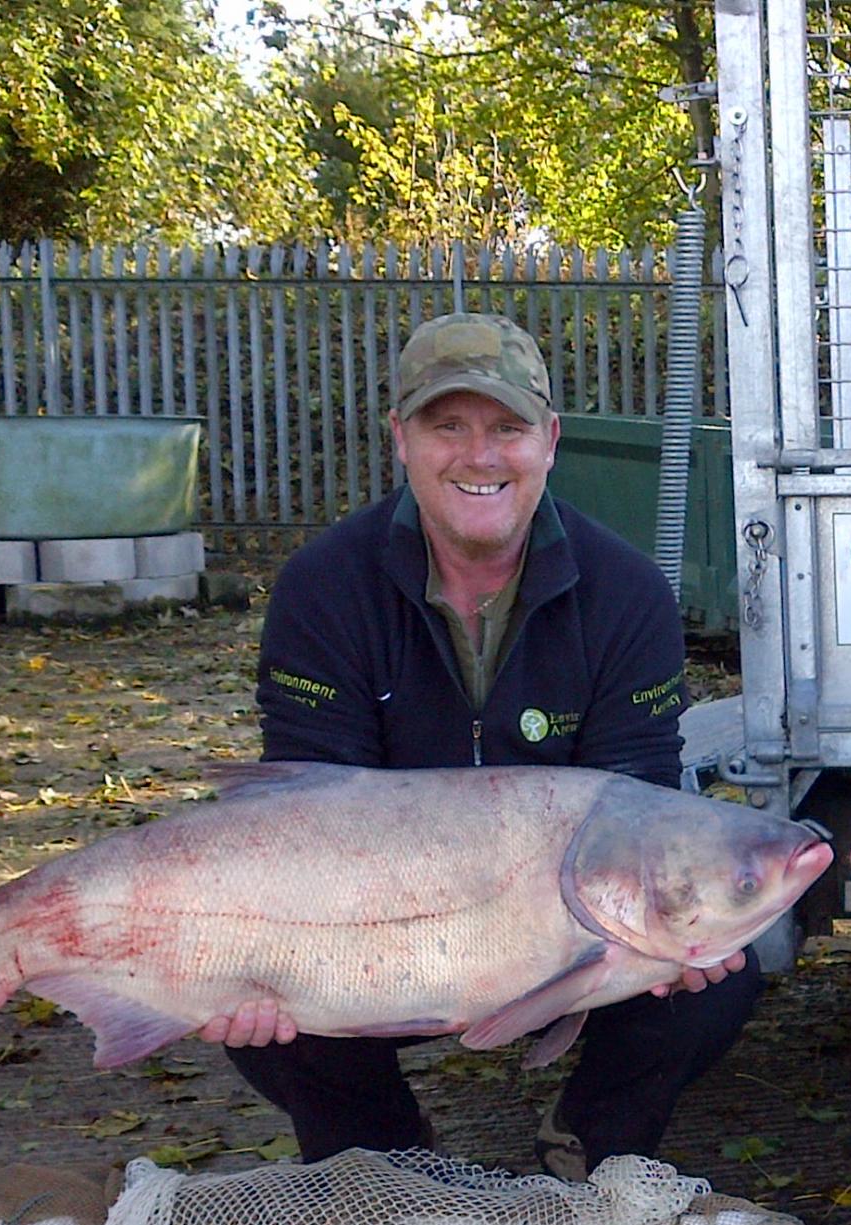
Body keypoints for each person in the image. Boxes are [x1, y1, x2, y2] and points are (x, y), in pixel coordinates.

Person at [206, 312, 763, 1179]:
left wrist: (657, 935)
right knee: (241, 982)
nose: (480, 456)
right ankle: (381, 1160)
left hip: (566, 939)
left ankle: (588, 1143)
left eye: (506, 428)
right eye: (447, 426)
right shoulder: (322, 587)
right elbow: (303, 820)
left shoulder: (629, 595)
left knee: (723, 965)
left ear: (549, 439)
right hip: (378, 933)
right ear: (400, 438)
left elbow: (639, 805)